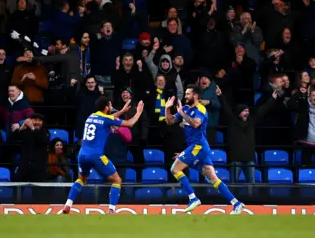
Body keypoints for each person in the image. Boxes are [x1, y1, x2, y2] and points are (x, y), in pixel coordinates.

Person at [164, 85, 245, 214]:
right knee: (212, 178)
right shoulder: (185, 109)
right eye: (185, 94)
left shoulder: (200, 109)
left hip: (199, 146)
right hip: (196, 148)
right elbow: (170, 121)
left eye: (188, 94)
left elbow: (196, 123)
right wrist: (167, 108)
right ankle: (237, 203)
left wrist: (182, 114)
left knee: (175, 168)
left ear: (195, 96)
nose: (185, 96)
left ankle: (193, 198)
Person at [62, 97, 144, 214]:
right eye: (110, 105)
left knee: (81, 179)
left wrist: (122, 111)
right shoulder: (106, 119)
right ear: (106, 107)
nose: (111, 107)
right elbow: (130, 123)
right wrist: (139, 112)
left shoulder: (91, 116)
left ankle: (67, 205)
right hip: (96, 155)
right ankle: (111, 209)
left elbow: (108, 118)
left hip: (82, 154)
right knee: (117, 180)